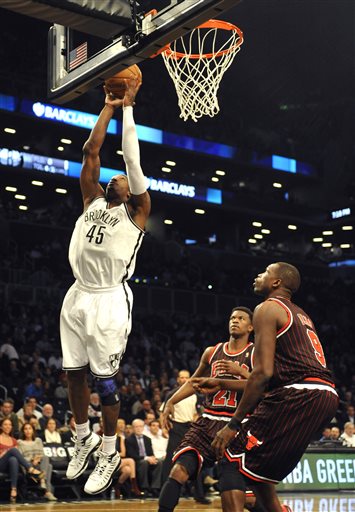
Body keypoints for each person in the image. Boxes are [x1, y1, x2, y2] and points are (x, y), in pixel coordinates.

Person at [60, 78, 150, 496]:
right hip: (77, 293)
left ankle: (111, 450)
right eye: (111, 177)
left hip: (109, 298)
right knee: (71, 375)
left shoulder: (137, 211)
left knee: (106, 383)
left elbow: (131, 163)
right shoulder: (92, 201)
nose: (116, 177)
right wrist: (110, 106)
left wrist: (129, 109)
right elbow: (90, 152)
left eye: (123, 178)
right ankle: (83, 439)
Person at [209, 262, 339, 512]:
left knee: (229, 454)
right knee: (259, 471)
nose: (258, 275)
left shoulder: (267, 308)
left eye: (265, 272)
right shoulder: (302, 313)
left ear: (277, 282)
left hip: (300, 393)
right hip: (325, 395)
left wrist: (233, 424)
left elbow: (263, 373)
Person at [158, 307, 255, 512]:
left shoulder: (255, 353)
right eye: (232, 318)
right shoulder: (212, 352)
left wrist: (240, 372)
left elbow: (265, 387)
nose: (235, 321)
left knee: (240, 499)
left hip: (237, 426)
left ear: (251, 326)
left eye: (241, 318)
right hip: (207, 420)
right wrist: (170, 402)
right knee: (178, 470)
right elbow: (194, 382)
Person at [0, 418, 43, 503]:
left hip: (10, 466)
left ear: (12, 427)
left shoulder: (14, 440)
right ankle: (30, 469)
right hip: (1, 463)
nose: (8, 426)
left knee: (13, 459)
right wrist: (4, 454)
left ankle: (13, 489)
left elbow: (16, 457)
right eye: (5, 424)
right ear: (1, 426)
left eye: (9, 425)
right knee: (13, 450)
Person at [18, 422, 57, 501]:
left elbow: (41, 454)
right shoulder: (20, 442)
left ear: (33, 430)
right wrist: (32, 460)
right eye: (25, 429)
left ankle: (43, 482)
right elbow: (21, 458)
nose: (28, 431)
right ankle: (47, 490)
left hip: (39, 465)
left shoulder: (38, 440)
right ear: (23, 431)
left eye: (30, 429)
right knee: (49, 467)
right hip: (28, 466)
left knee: (46, 458)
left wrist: (38, 459)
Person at [125, 418, 162, 497]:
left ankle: (155, 487)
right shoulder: (129, 440)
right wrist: (146, 458)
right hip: (136, 461)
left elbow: (151, 453)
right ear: (133, 428)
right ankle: (144, 488)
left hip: (147, 459)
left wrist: (152, 458)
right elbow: (131, 454)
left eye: (140, 426)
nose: (138, 428)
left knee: (159, 462)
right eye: (136, 427)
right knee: (144, 462)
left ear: (143, 427)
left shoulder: (147, 439)